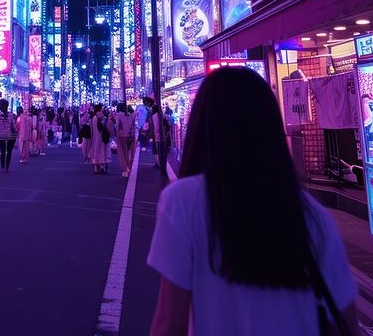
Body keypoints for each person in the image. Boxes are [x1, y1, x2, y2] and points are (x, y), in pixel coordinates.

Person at [148, 67, 359, 336]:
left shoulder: (183, 200)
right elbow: (346, 323)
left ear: (203, 126)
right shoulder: (313, 215)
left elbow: (169, 322)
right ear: (270, 126)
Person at [115, 102, 137, 178]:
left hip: (121, 136)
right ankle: (128, 167)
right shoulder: (130, 116)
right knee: (128, 152)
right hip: (130, 136)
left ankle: (125, 169)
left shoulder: (119, 115)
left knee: (123, 154)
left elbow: (117, 126)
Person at [89, 104, 111, 174]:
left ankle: (96, 168)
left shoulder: (94, 118)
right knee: (103, 152)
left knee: (95, 151)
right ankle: (103, 167)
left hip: (95, 138)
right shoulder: (103, 118)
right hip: (102, 137)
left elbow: (91, 130)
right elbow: (108, 127)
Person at [0, 99, 16, 172]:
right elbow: (13, 126)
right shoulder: (10, 115)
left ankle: (2, 166)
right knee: (9, 151)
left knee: (2, 151)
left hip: (1, 135)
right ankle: (7, 167)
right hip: (10, 135)